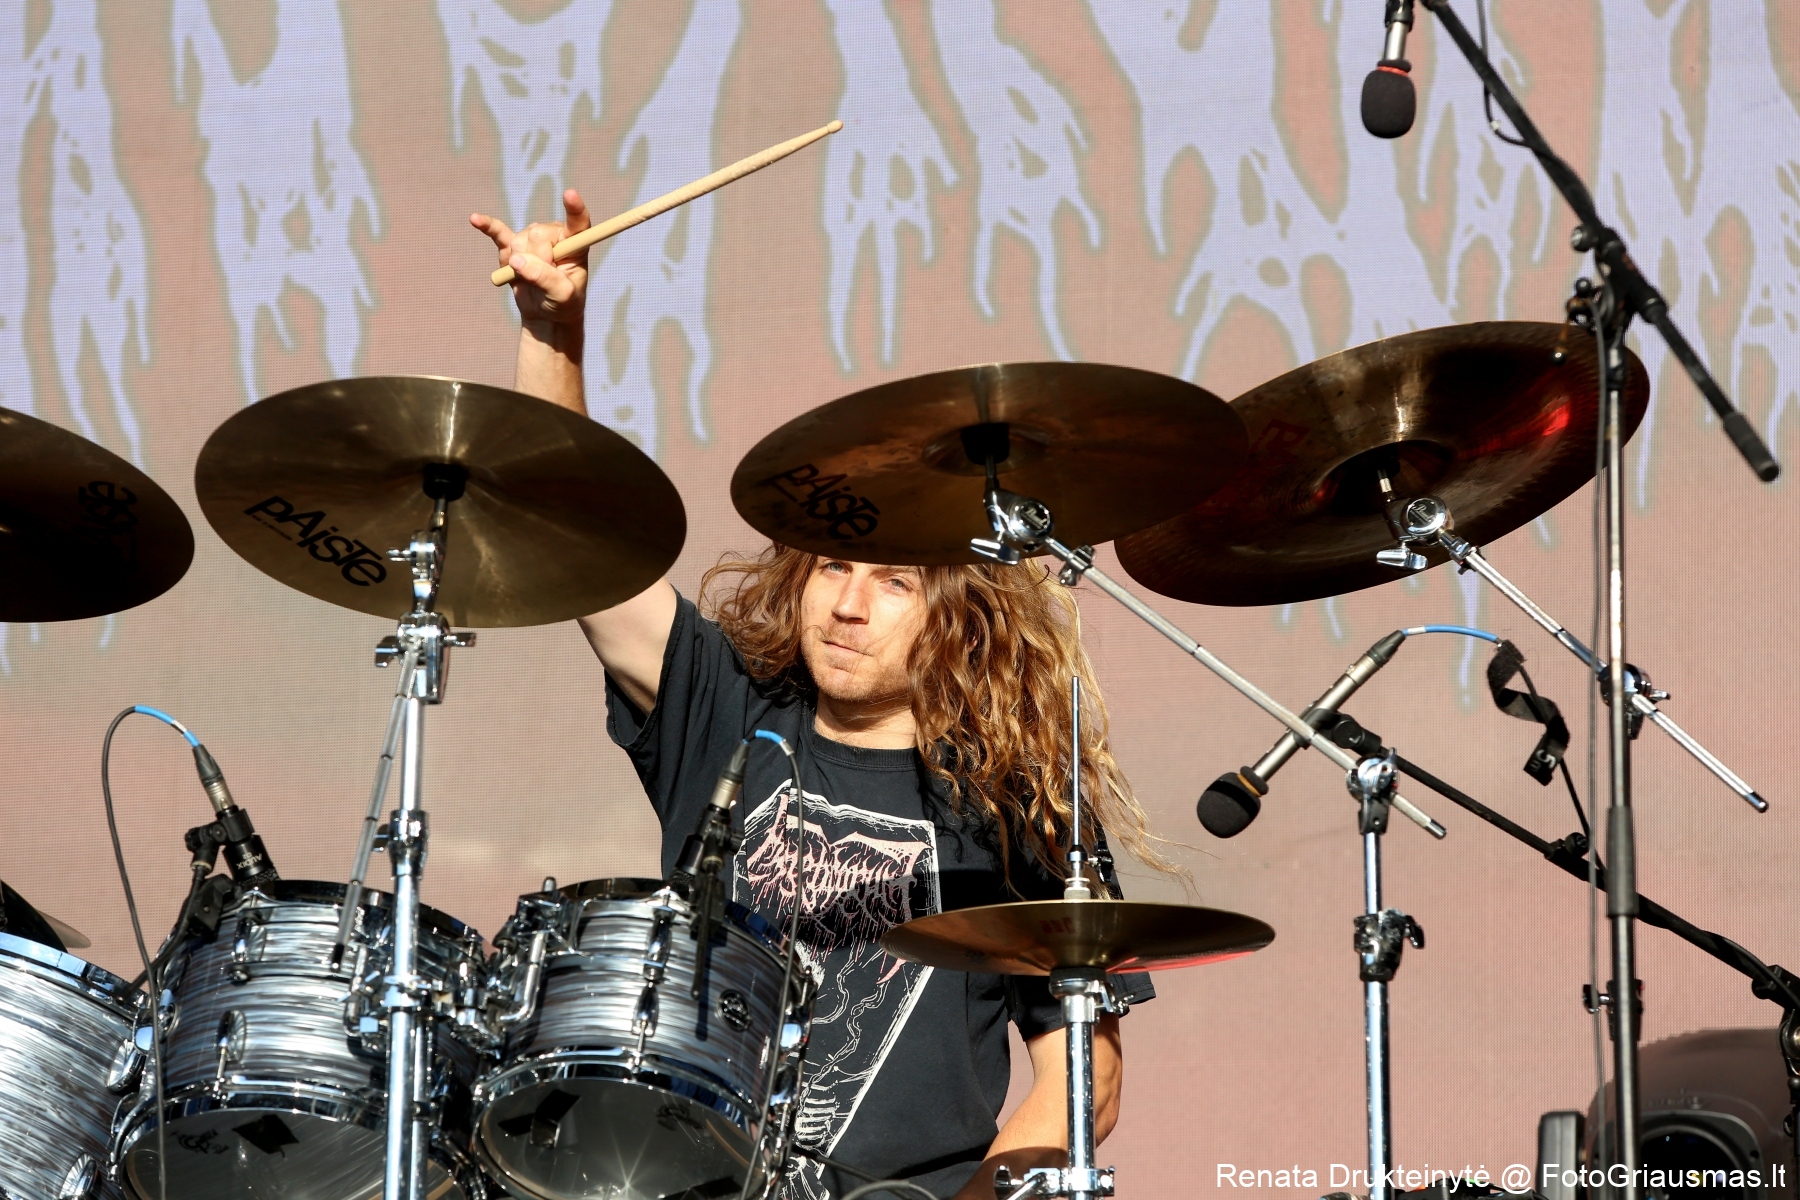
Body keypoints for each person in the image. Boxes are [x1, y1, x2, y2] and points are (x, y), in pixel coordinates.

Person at [472, 191, 1174, 1200]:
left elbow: (1084, 1081)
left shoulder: (1017, 798)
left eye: (895, 582)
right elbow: (574, 531)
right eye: (833, 568)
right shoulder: (725, 706)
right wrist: (554, 333)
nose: (848, 605)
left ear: (956, 616)